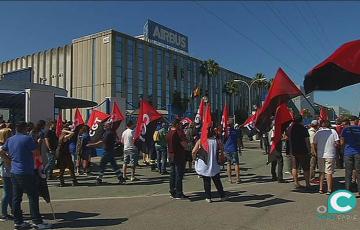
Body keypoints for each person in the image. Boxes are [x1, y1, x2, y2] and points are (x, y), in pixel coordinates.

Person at [0, 122, 51, 229]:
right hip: (26, 172)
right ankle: (37, 221)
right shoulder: (27, 139)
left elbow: (2, 150)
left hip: (14, 172)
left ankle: (18, 222)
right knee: (33, 196)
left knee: (16, 198)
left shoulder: (10, 139)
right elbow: (36, 153)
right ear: (25, 129)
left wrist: (8, 159)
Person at [192, 126, 227, 203]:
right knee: (217, 181)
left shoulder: (201, 141)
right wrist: (221, 159)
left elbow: (193, 151)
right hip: (215, 163)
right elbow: (222, 151)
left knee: (206, 181)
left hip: (204, 163)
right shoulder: (218, 141)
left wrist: (194, 159)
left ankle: (208, 197)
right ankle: (222, 196)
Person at [313, 120, 339, 195]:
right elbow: (337, 143)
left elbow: (314, 143)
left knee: (321, 172)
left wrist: (316, 150)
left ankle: (320, 189)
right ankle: (329, 189)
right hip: (330, 154)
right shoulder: (333, 132)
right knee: (329, 172)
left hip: (320, 154)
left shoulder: (318, 132)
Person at [166, 119, 189, 199]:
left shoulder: (169, 133)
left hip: (171, 155)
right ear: (177, 124)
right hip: (178, 155)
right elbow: (184, 145)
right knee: (179, 175)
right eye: (180, 124)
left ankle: (172, 191)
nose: (181, 125)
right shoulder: (178, 133)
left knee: (172, 174)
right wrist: (186, 143)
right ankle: (179, 193)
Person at [288, 115, 311, 189]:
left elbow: (286, 137)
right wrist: (309, 150)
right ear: (301, 120)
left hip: (293, 150)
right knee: (306, 168)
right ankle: (307, 184)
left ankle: (296, 182)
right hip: (303, 150)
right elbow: (307, 140)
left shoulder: (290, 128)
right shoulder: (303, 129)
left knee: (294, 167)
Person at [340, 118, 360, 195]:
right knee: (358, 172)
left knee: (348, 172)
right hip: (358, 152)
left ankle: (348, 190)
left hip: (348, 152)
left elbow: (342, 142)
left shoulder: (345, 130)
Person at [0, 123, 13, 221]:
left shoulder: (7, 146)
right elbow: (8, 162)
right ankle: (3, 213)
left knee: (11, 193)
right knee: (7, 193)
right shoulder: (2, 148)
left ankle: (13, 210)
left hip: (10, 172)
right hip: (6, 172)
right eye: (10, 134)